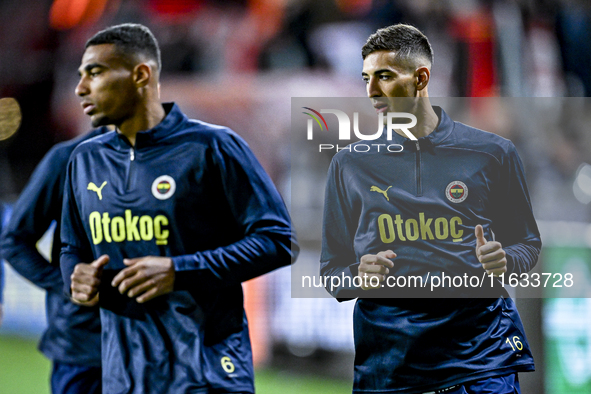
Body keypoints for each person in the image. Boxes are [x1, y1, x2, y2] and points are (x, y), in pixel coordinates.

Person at [60, 23, 297, 394]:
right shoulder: (84, 160)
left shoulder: (214, 147)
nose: (80, 88)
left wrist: (178, 271)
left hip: (208, 371)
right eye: (81, 75)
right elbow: (72, 247)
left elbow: (278, 241)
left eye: (96, 73)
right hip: (125, 377)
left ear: (141, 74)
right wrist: (76, 276)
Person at [320, 24, 541, 394]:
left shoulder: (492, 154)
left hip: (480, 361)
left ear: (421, 78)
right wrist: (359, 276)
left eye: (384, 77)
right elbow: (332, 270)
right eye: (366, 78)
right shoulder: (349, 165)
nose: (372, 91)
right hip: (390, 368)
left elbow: (528, 244)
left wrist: (505, 260)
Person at [0, 130, 105, 392]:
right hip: (83, 345)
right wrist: (69, 285)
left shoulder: (176, 153)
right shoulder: (67, 158)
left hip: (155, 343)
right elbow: (14, 240)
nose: (82, 90)